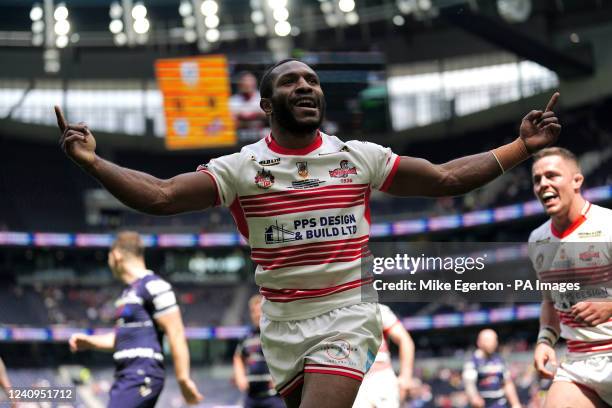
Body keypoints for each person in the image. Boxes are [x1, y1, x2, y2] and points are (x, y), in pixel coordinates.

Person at [55, 58, 560, 408]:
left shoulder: (358, 157)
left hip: (346, 315)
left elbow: (446, 178)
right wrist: (93, 162)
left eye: (312, 81)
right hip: (280, 325)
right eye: (291, 81)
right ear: (267, 107)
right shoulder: (240, 168)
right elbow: (161, 195)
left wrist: (521, 146)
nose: (305, 86)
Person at [68, 231, 203, 407]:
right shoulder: (128, 293)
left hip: (141, 373)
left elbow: (176, 331)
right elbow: (122, 339)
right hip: (126, 375)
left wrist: (183, 378)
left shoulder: (153, 285)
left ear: (116, 255)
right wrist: (89, 342)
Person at [528, 147, 612, 407]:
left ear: (577, 181)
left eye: (552, 175)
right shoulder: (537, 240)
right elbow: (550, 301)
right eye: (537, 179)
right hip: (579, 365)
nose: (543, 184)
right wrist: (545, 340)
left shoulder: (608, 224)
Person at [353, 304, 417, 408]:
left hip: (381, 377)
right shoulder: (334, 309)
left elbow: (404, 339)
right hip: (353, 379)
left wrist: (406, 376)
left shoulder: (377, 309)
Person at [234, 294, 284, 408]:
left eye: (259, 311)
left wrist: (281, 377)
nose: (257, 315)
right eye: (253, 311)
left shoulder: (277, 334)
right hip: (251, 397)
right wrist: (240, 377)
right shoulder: (246, 337)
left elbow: (289, 357)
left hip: (274, 397)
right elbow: (238, 357)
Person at [462, 329, 521, 408]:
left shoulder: (500, 360)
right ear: (479, 342)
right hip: (482, 404)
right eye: (488, 340)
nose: (492, 343)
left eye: (494, 340)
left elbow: (507, 383)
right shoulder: (473, 362)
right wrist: (474, 397)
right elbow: (469, 384)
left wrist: (515, 403)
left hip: (499, 403)